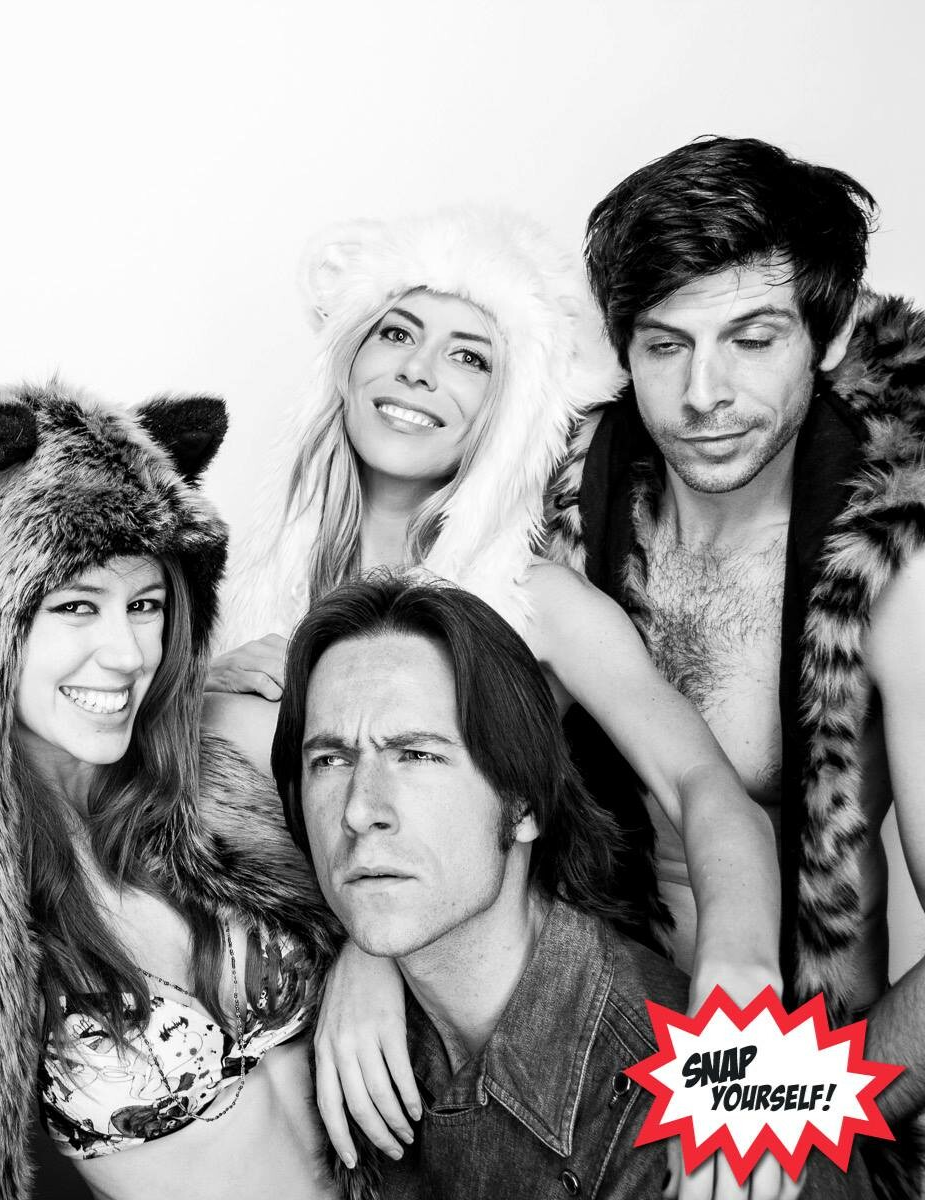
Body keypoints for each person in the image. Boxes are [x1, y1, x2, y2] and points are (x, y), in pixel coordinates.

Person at [210, 208, 782, 1179]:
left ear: (512, 403)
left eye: (469, 355)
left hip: (479, 1062)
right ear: (346, 359)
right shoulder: (240, 591)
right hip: (253, 1058)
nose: (419, 371)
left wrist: (743, 978)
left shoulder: (534, 599)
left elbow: (705, 789)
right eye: (396, 332)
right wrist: (197, 699)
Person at [0, 382, 340, 1200]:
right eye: (76, 606)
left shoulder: (232, 757)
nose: (128, 653)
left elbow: (422, 865)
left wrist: (373, 966)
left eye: (144, 604)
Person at [546, 135, 925, 1193]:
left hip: (804, 1085)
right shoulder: (557, 506)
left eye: (751, 340)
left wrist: (793, 1118)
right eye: (665, 346)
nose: (702, 393)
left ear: (829, 336)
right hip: (575, 1057)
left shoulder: (893, 566)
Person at [273, 574, 686, 1198]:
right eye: (330, 760)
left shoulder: (704, 1096)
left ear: (524, 803)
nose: (358, 810)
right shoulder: (306, 1023)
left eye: (416, 755)